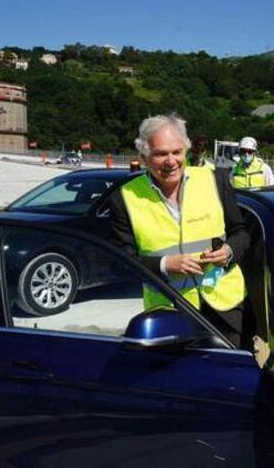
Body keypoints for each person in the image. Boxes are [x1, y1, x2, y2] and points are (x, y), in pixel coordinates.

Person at [107, 114, 250, 347]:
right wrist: (165, 265)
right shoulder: (124, 198)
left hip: (227, 309)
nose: (171, 161)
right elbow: (120, 263)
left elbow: (241, 233)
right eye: (161, 153)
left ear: (186, 150)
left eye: (177, 152)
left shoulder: (215, 180)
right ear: (144, 157)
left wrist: (229, 251)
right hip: (170, 312)